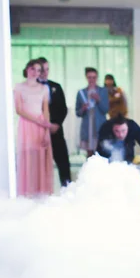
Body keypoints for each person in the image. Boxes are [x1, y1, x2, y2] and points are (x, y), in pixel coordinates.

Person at [14, 60, 54, 197]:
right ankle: (27, 191)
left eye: (38, 70)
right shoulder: (18, 87)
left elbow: (46, 110)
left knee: (41, 157)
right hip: (26, 125)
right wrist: (36, 120)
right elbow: (18, 109)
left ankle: (41, 192)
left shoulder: (44, 88)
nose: (35, 72)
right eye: (32, 69)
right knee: (27, 156)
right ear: (26, 69)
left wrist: (46, 129)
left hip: (41, 125)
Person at [36, 57, 71, 187]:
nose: (45, 73)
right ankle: (42, 188)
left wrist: (57, 124)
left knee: (63, 161)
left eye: (47, 69)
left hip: (56, 131)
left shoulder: (56, 86)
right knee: (41, 163)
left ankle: (66, 186)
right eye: (42, 70)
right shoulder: (32, 88)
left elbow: (63, 108)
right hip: (38, 131)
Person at [76, 67, 109, 158]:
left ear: (97, 78)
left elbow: (106, 110)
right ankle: (89, 170)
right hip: (87, 126)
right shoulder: (81, 93)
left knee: (101, 151)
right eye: (89, 77)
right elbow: (78, 113)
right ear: (86, 78)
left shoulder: (103, 91)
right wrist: (83, 108)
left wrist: (98, 100)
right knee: (89, 154)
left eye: (94, 77)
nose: (92, 80)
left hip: (99, 125)